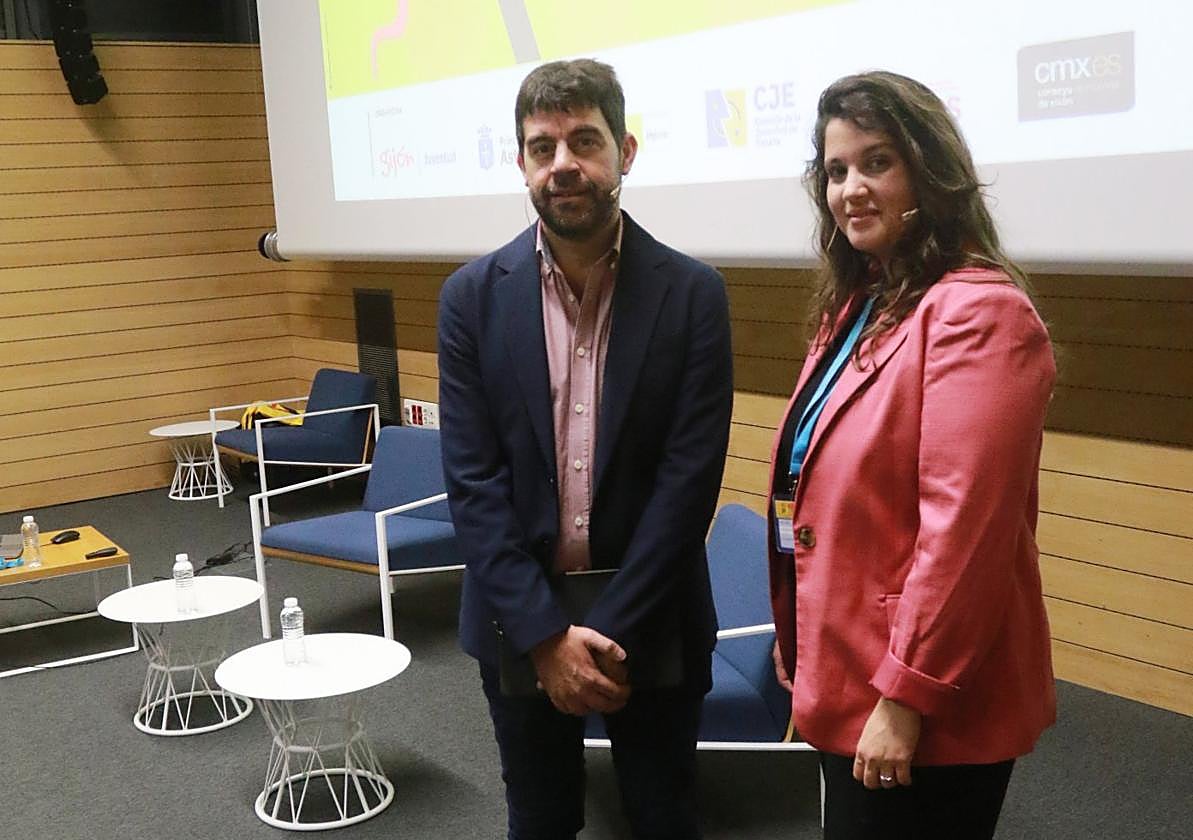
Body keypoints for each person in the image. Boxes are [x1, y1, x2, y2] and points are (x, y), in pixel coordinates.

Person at [438, 58, 733, 840]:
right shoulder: (470, 298)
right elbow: (472, 483)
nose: (563, 164)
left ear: (624, 152)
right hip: (515, 620)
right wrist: (545, 637)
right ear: (522, 164)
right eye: (542, 147)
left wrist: (605, 637)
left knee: (663, 817)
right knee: (538, 822)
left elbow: (687, 482)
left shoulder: (693, 294)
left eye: (583, 141)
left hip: (653, 619)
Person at [767, 71, 1057, 839]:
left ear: (928, 171)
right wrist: (801, 629)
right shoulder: (859, 304)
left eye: (876, 162)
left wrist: (905, 695)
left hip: (920, 699)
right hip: (851, 666)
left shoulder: (980, 314)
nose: (851, 188)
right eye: (835, 171)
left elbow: (964, 532)